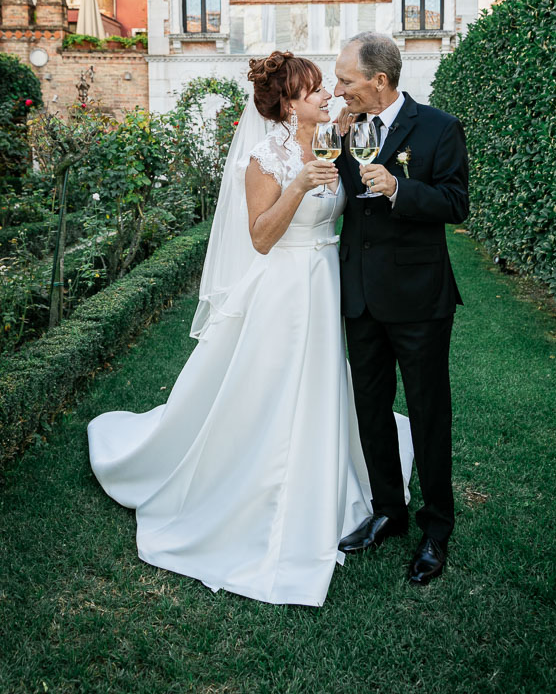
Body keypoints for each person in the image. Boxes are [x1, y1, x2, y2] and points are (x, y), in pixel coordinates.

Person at [87, 51, 412, 607]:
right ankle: (260, 486)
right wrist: (298, 185)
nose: (326, 96)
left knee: (322, 384)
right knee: (275, 390)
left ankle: (327, 479)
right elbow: (261, 238)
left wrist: (339, 139)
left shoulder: (330, 139)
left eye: (325, 89)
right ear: (289, 103)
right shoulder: (264, 160)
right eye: (314, 91)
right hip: (285, 290)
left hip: (326, 282)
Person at [334, 33, 469, 585]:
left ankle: (435, 528)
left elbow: (456, 204)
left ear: (379, 82)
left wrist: (399, 188)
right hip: (361, 296)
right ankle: (388, 508)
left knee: (428, 413)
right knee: (371, 409)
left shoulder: (440, 128)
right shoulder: (348, 126)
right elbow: (346, 196)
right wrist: (337, 150)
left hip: (418, 301)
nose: (338, 89)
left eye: (346, 80)